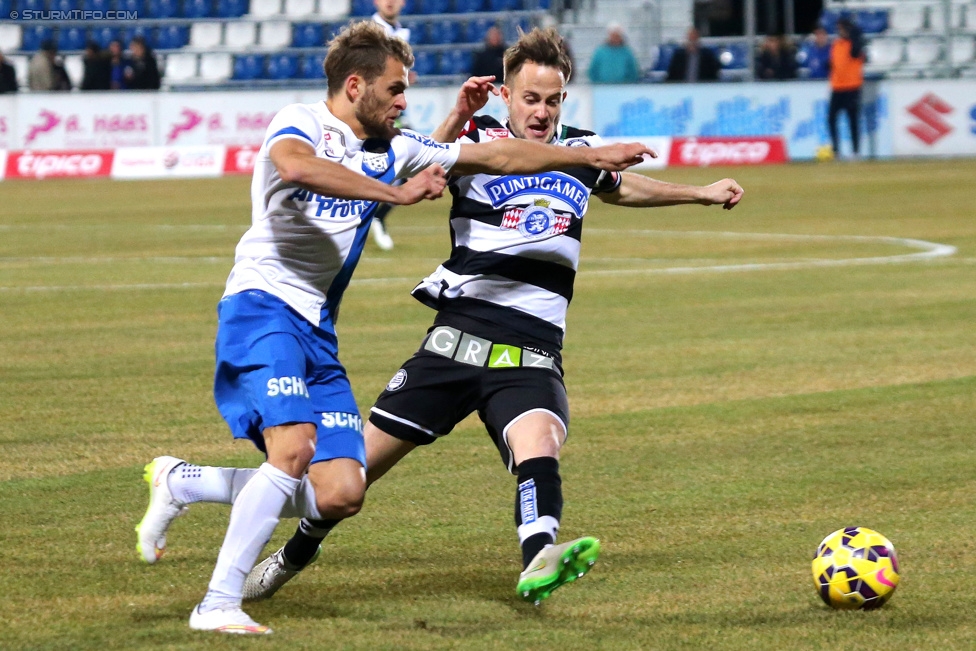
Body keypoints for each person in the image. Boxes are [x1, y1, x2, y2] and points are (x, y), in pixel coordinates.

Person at [136, 26, 739, 630]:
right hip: (443, 338)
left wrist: (692, 190)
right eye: (530, 98)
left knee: (499, 453)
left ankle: (538, 558)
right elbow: (395, 161)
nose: (542, 110)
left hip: (523, 344)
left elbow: (609, 182)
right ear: (506, 94)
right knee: (330, 472)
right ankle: (270, 554)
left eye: (553, 100)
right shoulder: (337, 126)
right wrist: (445, 131)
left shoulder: (576, 151)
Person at [368, 0, 412, 250]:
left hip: (394, 108)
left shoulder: (402, 33)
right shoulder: (371, 31)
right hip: (373, 109)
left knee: (408, 165)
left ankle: (376, 216)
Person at [828, 16, 865, 158]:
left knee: (852, 119)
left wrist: (853, 32)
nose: (840, 31)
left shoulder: (855, 45)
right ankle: (836, 150)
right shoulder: (837, 44)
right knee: (831, 118)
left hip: (851, 87)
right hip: (837, 87)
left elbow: (856, 51)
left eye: (842, 29)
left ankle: (855, 151)